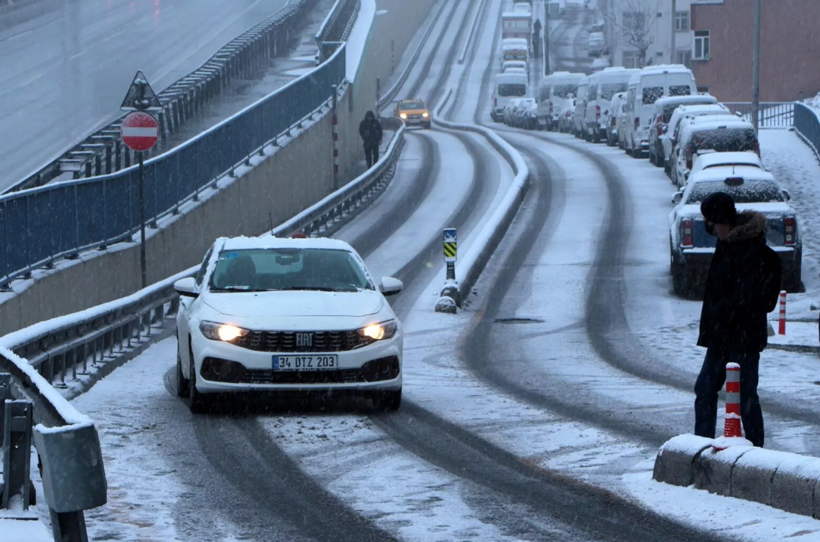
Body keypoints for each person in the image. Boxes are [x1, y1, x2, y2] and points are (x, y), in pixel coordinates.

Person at [694, 192, 780, 448]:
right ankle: (700, 446)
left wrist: (721, 311)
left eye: (710, 221)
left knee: (745, 398)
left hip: (743, 339)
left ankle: (756, 452)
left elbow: (747, 297)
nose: (708, 227)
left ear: (720, 221)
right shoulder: (727, 245)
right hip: (721, 337)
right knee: (705, 390)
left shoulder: (749, 251)